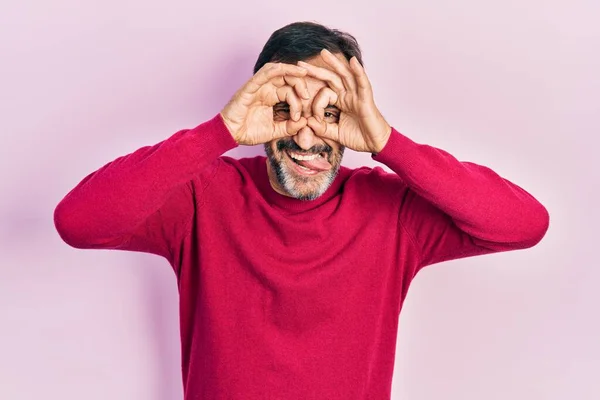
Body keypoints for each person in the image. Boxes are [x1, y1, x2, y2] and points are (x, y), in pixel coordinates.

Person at [54, 21, 549, 400]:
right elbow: (78, 222)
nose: (307, 136)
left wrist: (388, 142)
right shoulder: (201, 198)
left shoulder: (392, 212)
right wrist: (219, 133)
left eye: (330, 114)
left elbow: (525, 225)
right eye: (285, 110)